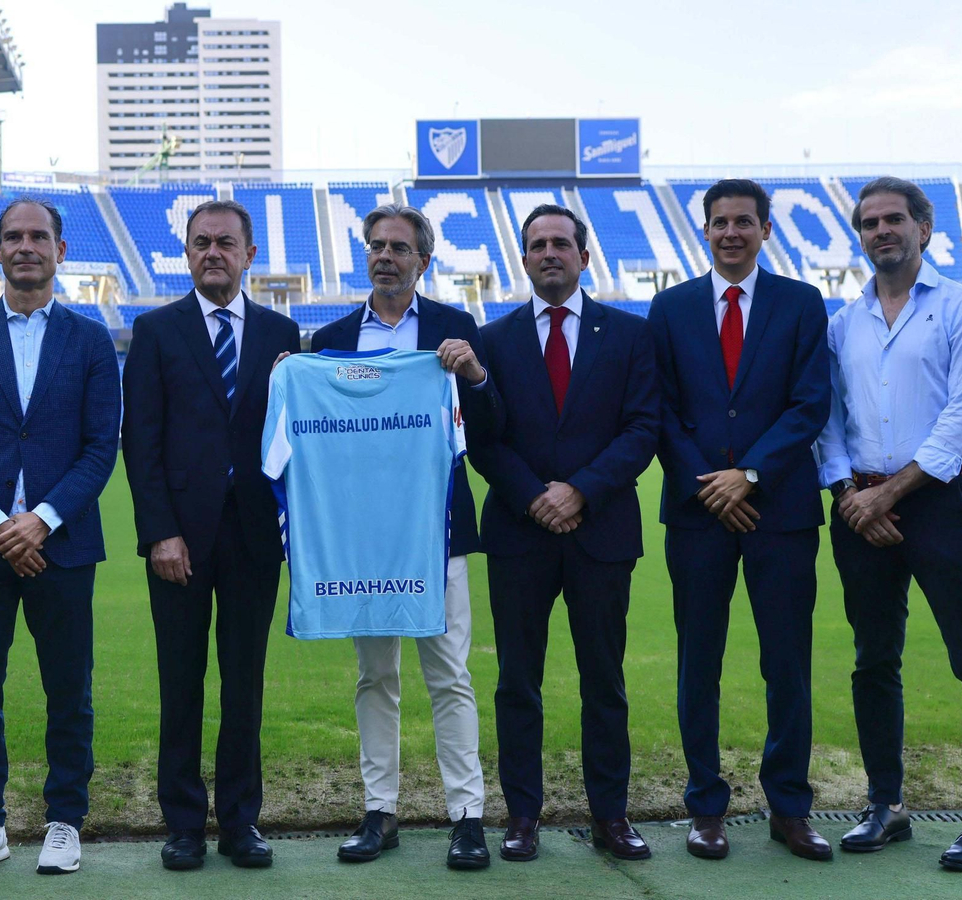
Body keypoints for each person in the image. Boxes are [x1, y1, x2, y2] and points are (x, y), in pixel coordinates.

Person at [817, 176, 962, 871]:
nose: (881, 231)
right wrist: (848, 492)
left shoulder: (961, 309)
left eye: (894, 219)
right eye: (869, 222)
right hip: (859, 510)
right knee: (874, 662)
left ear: (924, 228)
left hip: (943, 505)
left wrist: (889, 494)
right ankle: (885, 806)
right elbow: (828, 420)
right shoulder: (844, 322)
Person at [0, 198, 121, 876]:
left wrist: (41, 518)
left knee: (69, 688)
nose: (26, 246)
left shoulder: (92, 340)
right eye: (14, 236)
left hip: (62, 545)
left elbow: (101, 448)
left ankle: (65, 820)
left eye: (39, 236)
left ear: (61, 251)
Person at [647, 179, 832, 861]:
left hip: (779, 513)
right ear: (705, 229)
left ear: (766, 230)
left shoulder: (801, 303)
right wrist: (709, 484)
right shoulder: (668, 309)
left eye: (744, 222)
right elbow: (659, 410)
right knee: (700, 663)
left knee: (787, 663)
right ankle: (705, 806)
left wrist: (749, 474)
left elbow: (810, 404)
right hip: (698, 515)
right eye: (720, 221)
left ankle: (789, 805)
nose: (731, 232)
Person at [468, 204, 659, 863]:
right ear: (523, 260)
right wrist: (533, 496)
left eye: (561, 242)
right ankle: (523, 816)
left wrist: (580, 489)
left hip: (601, 532)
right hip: (520, 534)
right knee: (518, 681)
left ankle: (611, 815)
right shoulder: (490, 341)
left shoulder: (631, 335)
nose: (549, 252)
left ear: (584, 255)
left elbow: (642, 429)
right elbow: (483, 439)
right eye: (536, 245)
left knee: (603, 681)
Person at [308, 203, 495, 869]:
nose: (386, 256)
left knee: (448, 674)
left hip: (437, 531)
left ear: (424, 260)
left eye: (399, 247)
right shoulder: (327, 341)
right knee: (375, 674)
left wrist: (474, 375)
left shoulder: (455, 329)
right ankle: (379, 810)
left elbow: (491, 425)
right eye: (376, 246)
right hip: (362, 538)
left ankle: (467, 815)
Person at [121, 200, 301, 870]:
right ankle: (185, 824)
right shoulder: (157, 330)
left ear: (250, 254)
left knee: (244, 685)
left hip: (255, 536)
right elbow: (139, 442)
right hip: (180, 542)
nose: (212, 253)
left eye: (225, 243)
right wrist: (159, 533)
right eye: (200, 243)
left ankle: (242, 822)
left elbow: (293, 438)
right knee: (182, 682)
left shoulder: (282, 333)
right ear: (187, 253)